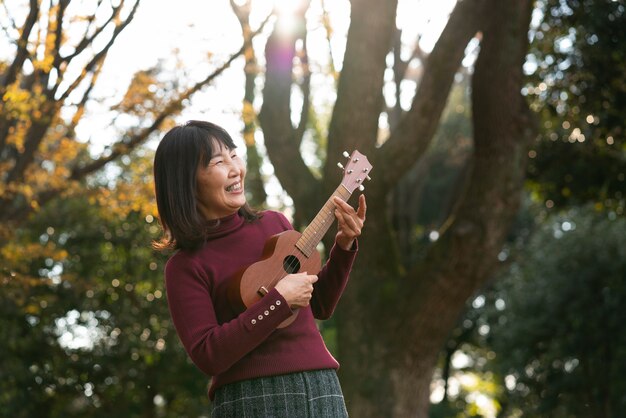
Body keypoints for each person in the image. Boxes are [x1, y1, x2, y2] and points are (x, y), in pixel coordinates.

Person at [152, 120, 366, 417]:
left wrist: (343, 246)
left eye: (233, 155)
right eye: (218, 161)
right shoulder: (185, 267)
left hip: (322, 387)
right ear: (186, 181)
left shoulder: (275, 224)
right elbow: (208, 354)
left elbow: (319, 304)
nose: (235, 168)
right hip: (251, 398)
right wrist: (277, 302)